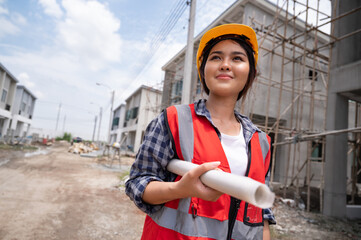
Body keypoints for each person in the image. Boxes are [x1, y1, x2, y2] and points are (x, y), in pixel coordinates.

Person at [125, 23, 276, 240]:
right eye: (216, 57)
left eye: (237, 58)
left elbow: (261, 213)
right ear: (203, 71)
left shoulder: (261, 141)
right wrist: (180, 190)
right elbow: (137, 183)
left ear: (250, 72)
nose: (225, 65)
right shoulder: (173, 120)